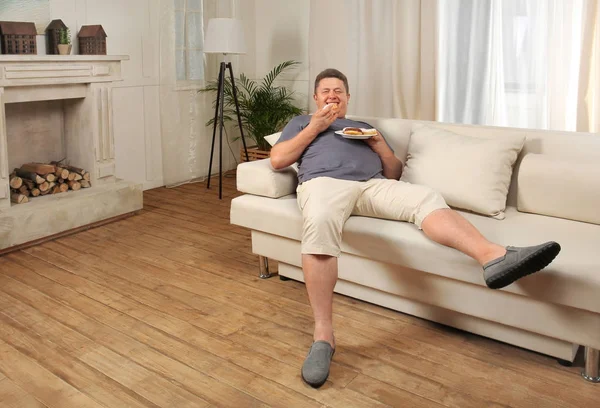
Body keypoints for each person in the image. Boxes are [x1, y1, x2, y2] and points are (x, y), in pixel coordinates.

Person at [270, 68, 561, 388]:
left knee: (425, 197)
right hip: (324, 183)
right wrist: (315, 127)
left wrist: (379, 143)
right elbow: (278, 160)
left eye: (339, 91)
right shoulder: (301, 122)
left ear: (348, 97)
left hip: (372, 185)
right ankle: (324, 336)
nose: (332, 96)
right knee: (321, 221)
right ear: (315, 97)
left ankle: (492, 256)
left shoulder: (363, 128)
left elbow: (393, 172)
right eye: (326, 91)